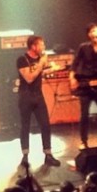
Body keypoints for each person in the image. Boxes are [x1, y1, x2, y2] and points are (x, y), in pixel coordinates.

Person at [16, 35, 61, 168]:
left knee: (45, 124)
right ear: (33, 46)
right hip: (25, 96)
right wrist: (42, 64)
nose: (44, 47)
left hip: (38, 96)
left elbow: (40, 73)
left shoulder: (40, 59)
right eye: (41, 45)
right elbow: (29, 78)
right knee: (25, 126)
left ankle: (48, 154)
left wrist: (52, 69)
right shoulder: (22, 59)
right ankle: (25, 156)